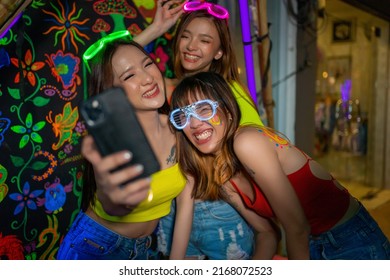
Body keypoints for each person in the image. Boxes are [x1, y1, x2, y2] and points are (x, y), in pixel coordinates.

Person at [169, 71, 390, 260]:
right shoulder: (220, 173)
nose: (195, 123)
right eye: (183, 116)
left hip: (352, 240)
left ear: (227, 111)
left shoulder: (246, 141)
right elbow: (266, 232)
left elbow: (297, 228)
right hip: (312, 245)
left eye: (204, 108)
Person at [134, 0, 264, 259]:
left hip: (220, 210)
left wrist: (227, 181)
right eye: (185, 36)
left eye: (204, 40)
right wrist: (155, 29)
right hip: (172, 213)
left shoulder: (230, 93)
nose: (191, 46)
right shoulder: (163, 89)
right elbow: (110, 69)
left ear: (219, 51)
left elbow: (259, 156)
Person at [56, 31, 193, 260]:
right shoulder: (111, 143)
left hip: (144, 249)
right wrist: (116, 199)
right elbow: (113, 205)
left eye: (148, 64)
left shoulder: (179, 126)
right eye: (129, 77)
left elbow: (186, 203)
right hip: (94, 248)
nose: (148, 78)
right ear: (111, 93)